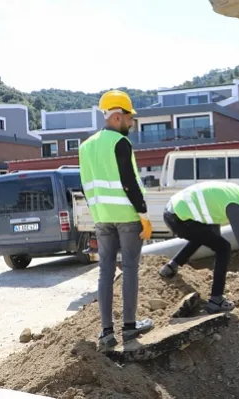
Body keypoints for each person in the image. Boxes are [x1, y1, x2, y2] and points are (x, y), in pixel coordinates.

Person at [78, 90, 154, 350]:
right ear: (118, 116)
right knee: (130, 269)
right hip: (127, 217)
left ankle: (106, 332)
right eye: (129, 118)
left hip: (102, 219)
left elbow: (86, 186)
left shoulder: (86, 146)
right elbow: (129, 182)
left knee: (105, 273)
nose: (131, 123)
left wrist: (98, 214)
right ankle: (130, 328)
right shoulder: (120, 143)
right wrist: (143, 214)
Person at [158, 176, 239, 313]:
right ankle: (216, 300)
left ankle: (170, 267)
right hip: (178, 218)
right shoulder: (236, 206)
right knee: (224, 247)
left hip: (172, 211)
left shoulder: (233, 192)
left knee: (207, 237)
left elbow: (213, 230)